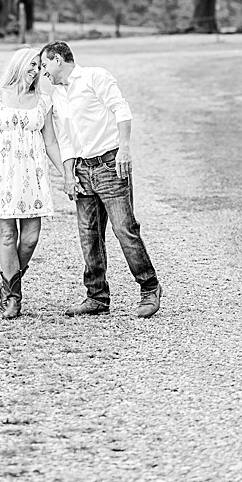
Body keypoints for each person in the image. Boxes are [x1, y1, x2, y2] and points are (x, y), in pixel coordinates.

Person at [39, 40, 162, 318]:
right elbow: (66, 140)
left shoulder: (95, 76)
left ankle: (149, 287)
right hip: (83, 171)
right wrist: (68, 174)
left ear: (58, 59)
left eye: (45, 64)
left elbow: (121, 109)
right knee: (89, 235)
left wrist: (125, 148)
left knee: (124, 229)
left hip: (109, 165)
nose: (43, 72)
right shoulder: (58, 96)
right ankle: (96, 297)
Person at [0, 45, 68, 319]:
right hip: (2, 175)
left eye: (39, 66)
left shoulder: (43, 101)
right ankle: (13, 297)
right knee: (8, 235)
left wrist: (66, 174)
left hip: (33, 176)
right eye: (32, 65)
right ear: (19, 64)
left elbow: (50, 142)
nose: (36, 70)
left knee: (31, 237)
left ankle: (7, 283)